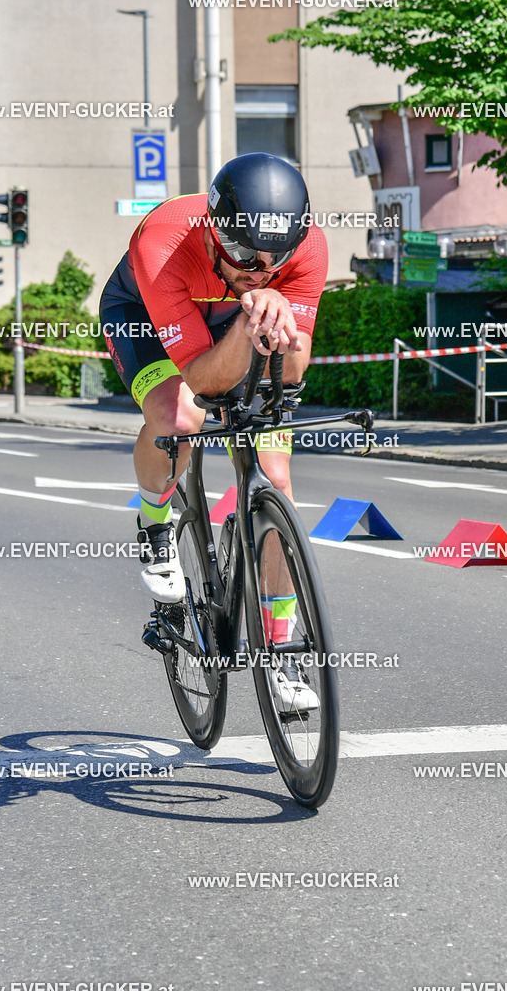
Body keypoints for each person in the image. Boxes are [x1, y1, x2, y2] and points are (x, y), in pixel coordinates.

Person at [100, 153, 328, 710]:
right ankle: (155, 520)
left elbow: (292, 370)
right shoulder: (165, 241)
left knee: (276, 478)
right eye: (246, 253)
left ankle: (279, 651)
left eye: (277, 258)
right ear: (215, 229)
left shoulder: (306, 248)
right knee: (179, 418)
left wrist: (276, 317)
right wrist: (255, 320)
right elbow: (200, 380)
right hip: (146, 318)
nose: (261, 268)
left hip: (234, 320)